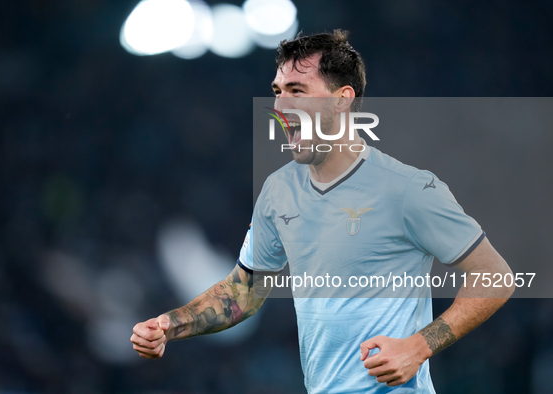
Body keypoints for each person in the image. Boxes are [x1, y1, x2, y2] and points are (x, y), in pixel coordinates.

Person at [131, 30, 514, 393]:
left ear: (342, 99)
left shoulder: (408, 189)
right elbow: (244, 291)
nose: (280, 105)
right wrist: (171, 324)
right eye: (278, 92)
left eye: (298, 90)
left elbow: (496, 277)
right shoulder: (278, 190)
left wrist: (419, 346)